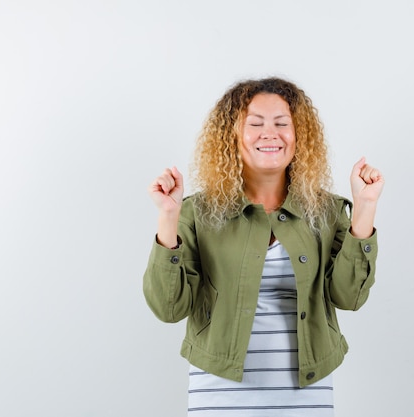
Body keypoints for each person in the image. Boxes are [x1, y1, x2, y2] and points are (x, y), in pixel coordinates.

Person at [143, 77, 384, 416]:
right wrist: (168, 216)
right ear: (232, 136)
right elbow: (168, 309)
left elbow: (350, 296)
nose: (269, 133)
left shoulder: (327, 211)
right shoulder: (197, 212)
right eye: (255, 124)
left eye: (282, 124)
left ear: (299, 135)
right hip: (219, 394)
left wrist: (365, 208)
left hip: (306, 395)